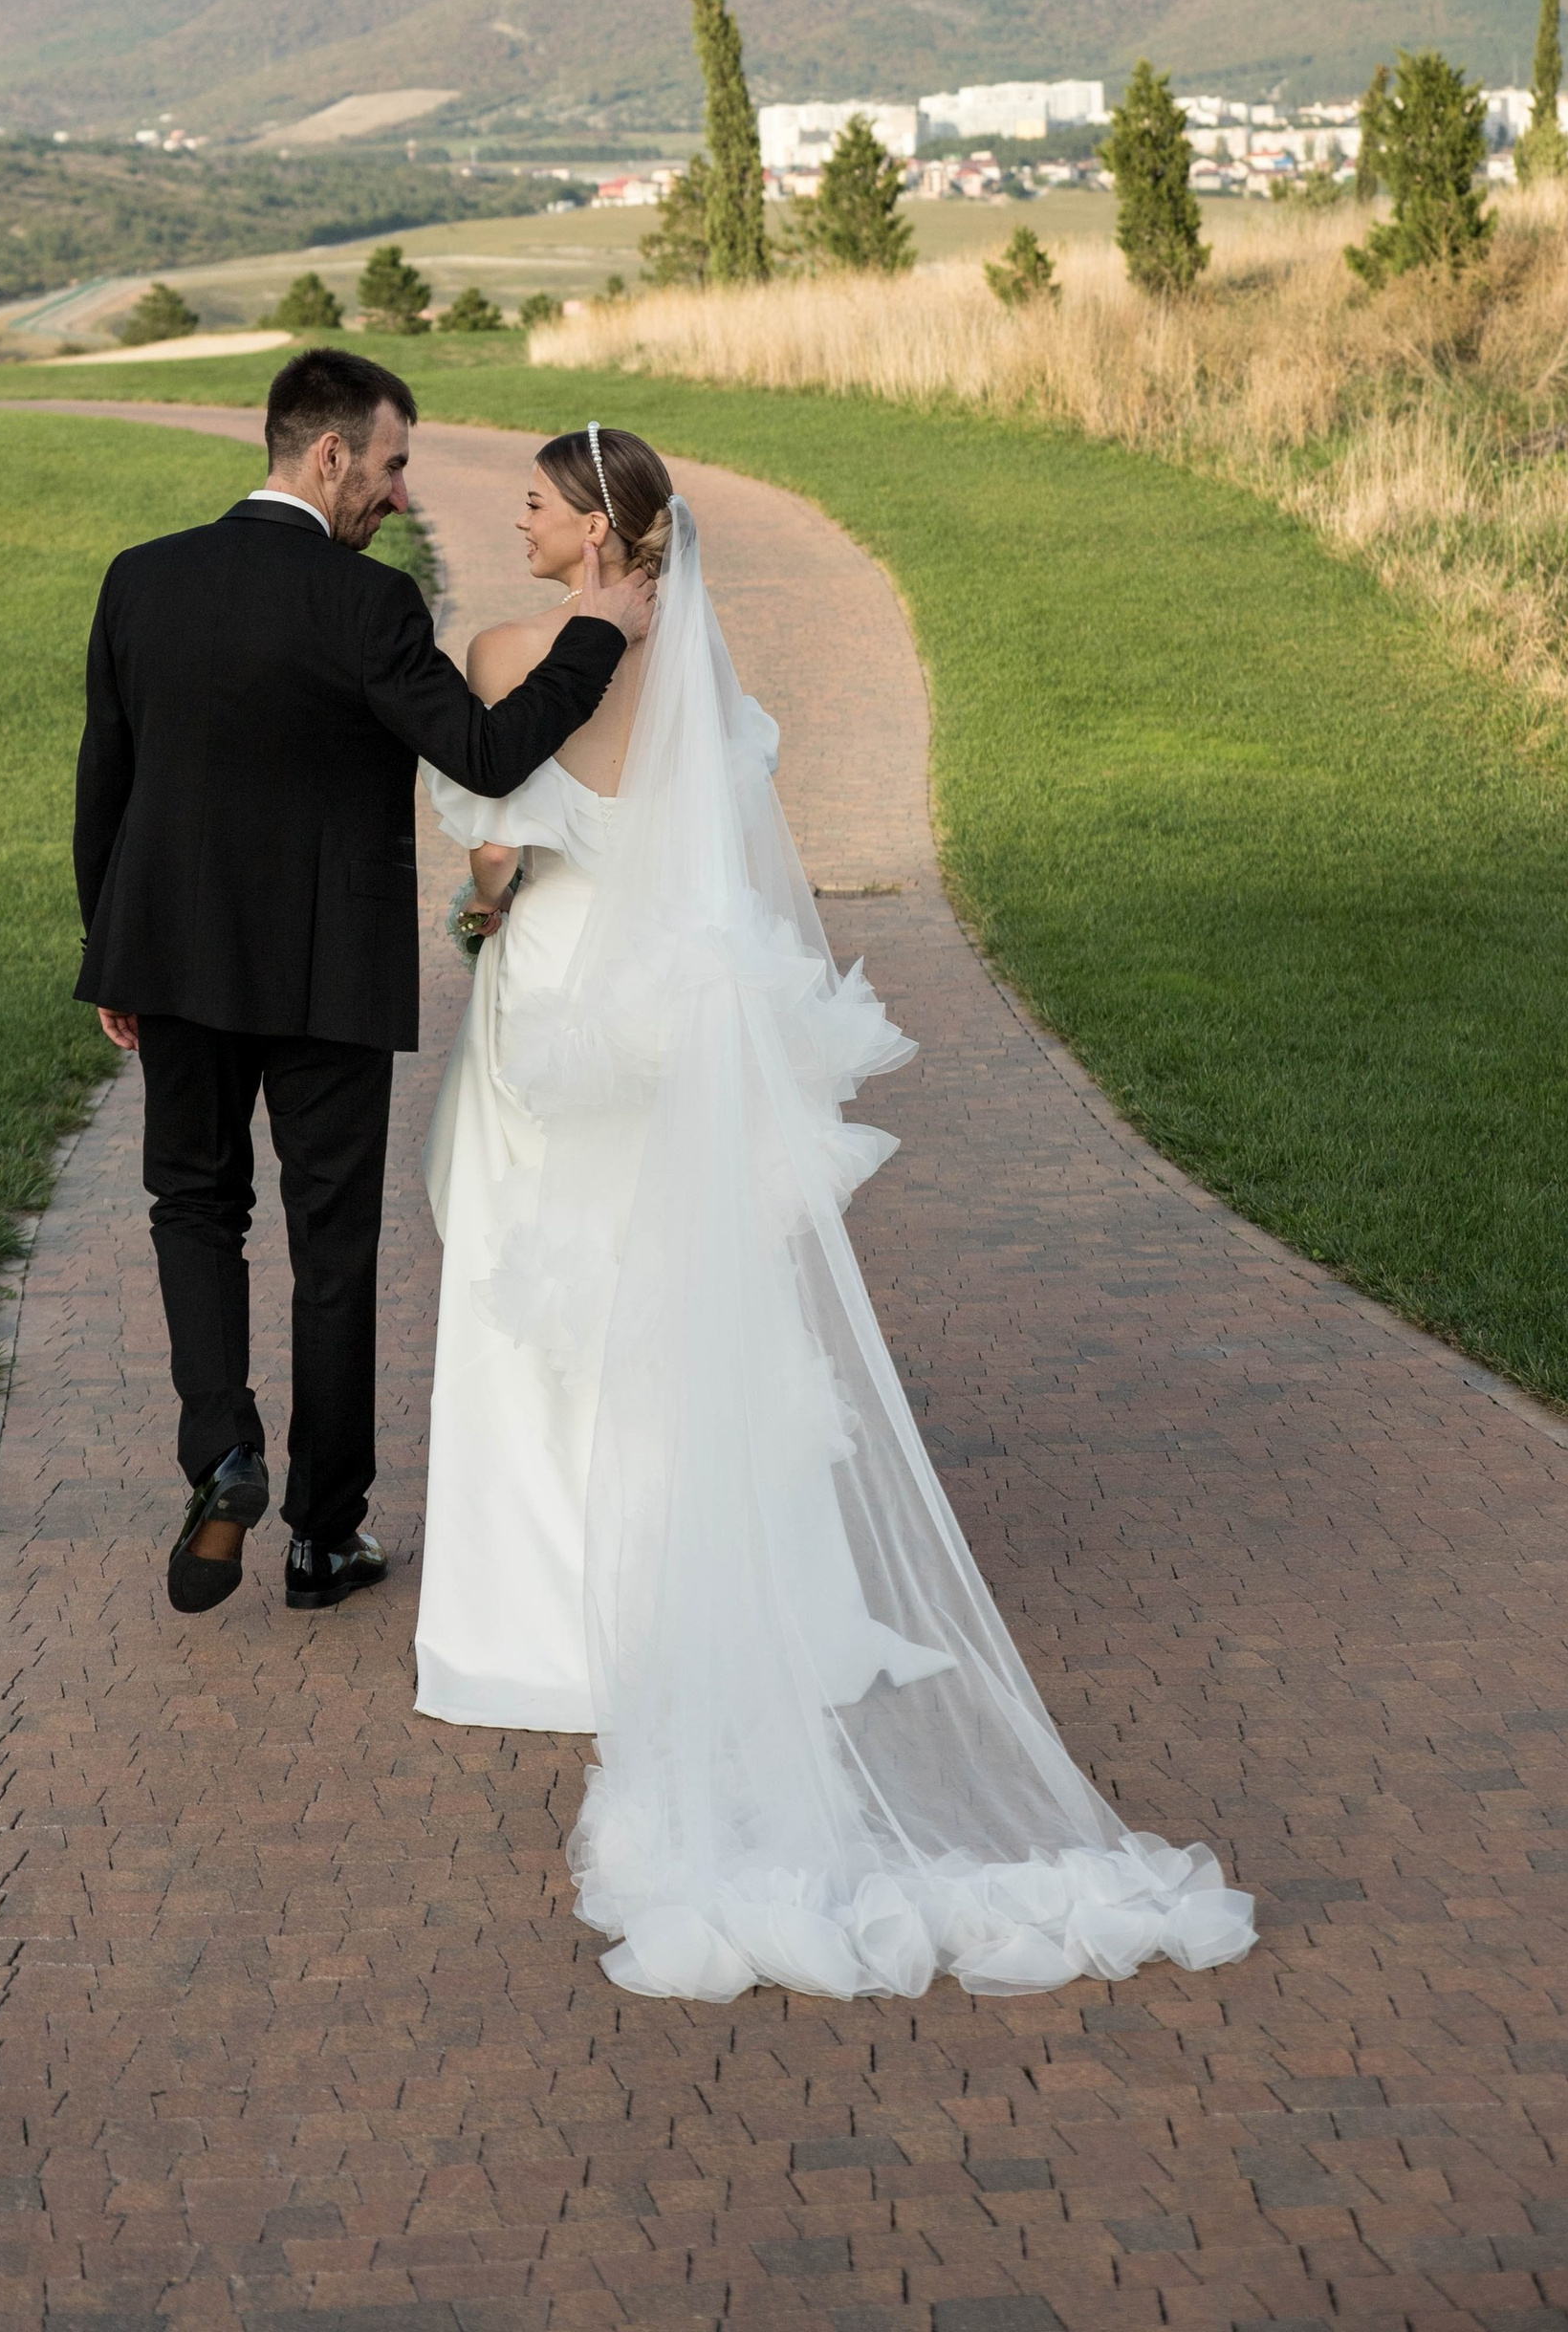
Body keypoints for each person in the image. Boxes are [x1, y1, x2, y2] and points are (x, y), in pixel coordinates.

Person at [418, 422, 1256, 2003]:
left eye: (532, 504)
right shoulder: (703, 665)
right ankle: (721, 1599)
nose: (513, 520)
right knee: (672, 1295)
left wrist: (481, 911)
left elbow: (494, 850)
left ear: (594, 531)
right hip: (676, 1016)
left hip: (558, 1007)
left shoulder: (511, 652)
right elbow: (727, 859)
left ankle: (537, 1627)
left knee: (539, 1294)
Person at [73, 347, 653, 1619]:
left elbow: (105, 778)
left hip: (171, 958)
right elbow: (489, 754)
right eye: (392, 466)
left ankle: (222, 1451)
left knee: (193, 1205)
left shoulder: (140, 579)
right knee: (331, 1245)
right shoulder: (370, 604)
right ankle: (324, 1538)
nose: (399, 495)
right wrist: (595, 640)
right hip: (328, 972)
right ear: (329, 452)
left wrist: (107, 949)